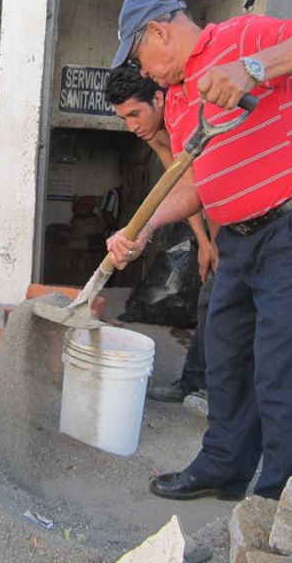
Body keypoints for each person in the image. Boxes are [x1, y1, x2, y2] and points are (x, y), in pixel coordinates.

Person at [106, 0, 292, 502]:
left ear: (157, 32)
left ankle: (282, 503)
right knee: (227, 361)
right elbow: (194, 183)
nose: (145, 71)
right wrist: (143, 227)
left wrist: (255, 68)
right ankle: (224, 466)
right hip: (240, 239)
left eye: (140, 56)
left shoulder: (242, 36)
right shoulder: (175, 99)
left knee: (290, 373)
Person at [104, 65, 215, 407]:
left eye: (135, 114)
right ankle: (193, 382)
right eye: (124, 119)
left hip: (234, 210)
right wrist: (202, 241)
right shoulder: (154, 134)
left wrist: (215, 240)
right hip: (203, 206)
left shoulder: (190, 117)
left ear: (158, 98)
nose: (132, 126)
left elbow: (201, 182)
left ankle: (212, 390)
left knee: (219, 301)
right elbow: (179, 182)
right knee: (209, 299)